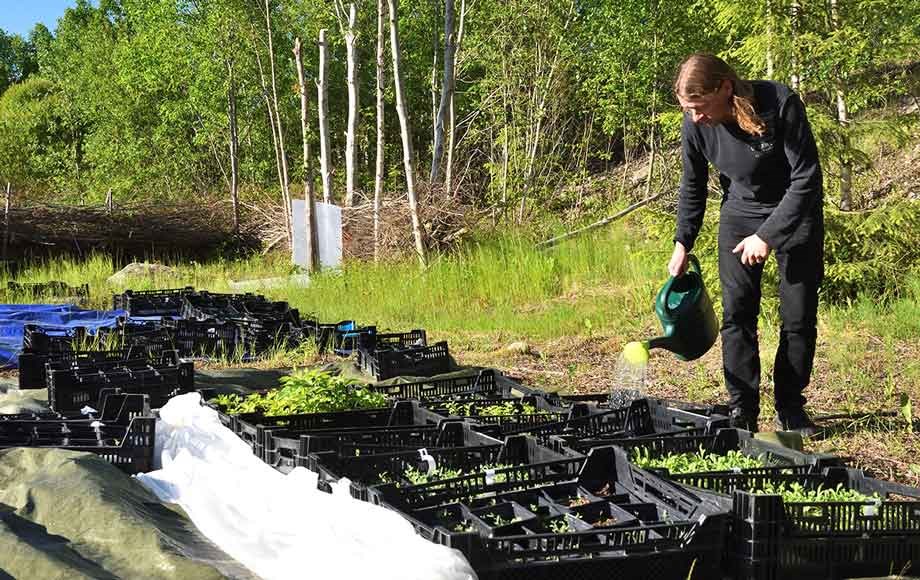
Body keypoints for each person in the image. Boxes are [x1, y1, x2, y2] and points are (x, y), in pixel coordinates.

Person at [668, 53, 824, 436]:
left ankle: (790, 407)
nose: (695, 117)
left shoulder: (778, 104)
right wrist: (682, 241)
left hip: (795, 210)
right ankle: (743, 408)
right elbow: (693, 185)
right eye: (688, 110)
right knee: (737, 315)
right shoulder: (696, 125)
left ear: (724, 88)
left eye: (700, 107)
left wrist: (768, 235)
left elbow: (806, 178)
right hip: (740, 213)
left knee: (798, 316)